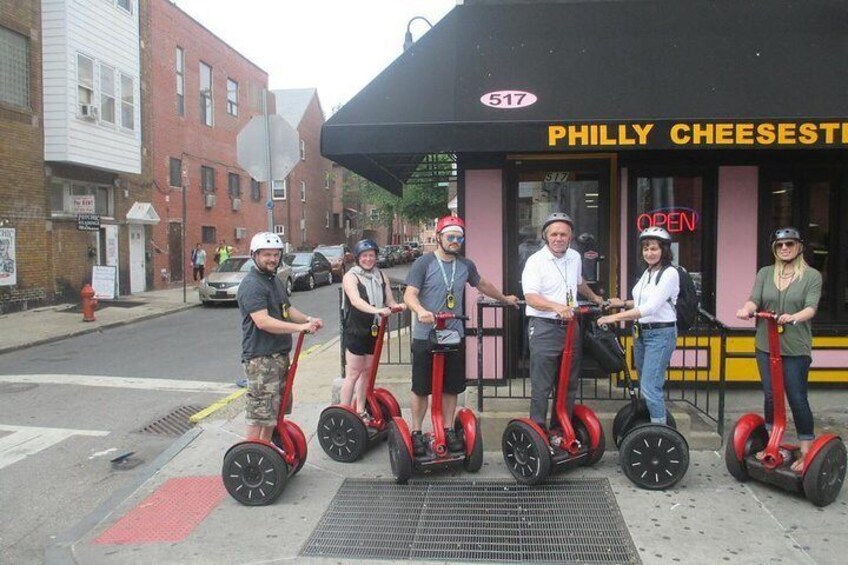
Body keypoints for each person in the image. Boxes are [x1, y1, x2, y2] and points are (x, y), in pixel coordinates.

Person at [404, 215, 518, 454]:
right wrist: (422, 311)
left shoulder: (466, 265)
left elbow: (483, 285)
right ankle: (416, 431)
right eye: (450, 237)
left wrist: (505, 298)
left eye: (459, 237)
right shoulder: (423, 263)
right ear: (439, 237)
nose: (455, 241)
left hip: (453, 335)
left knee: (451, 387)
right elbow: (409, 295)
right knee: (421, 387)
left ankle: (446, 428)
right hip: (426, 336)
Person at [735, 227, 822, 472]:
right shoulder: (765, 273)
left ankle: (805, 450)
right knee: (772, 395)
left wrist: (795, 317)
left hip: (795, 347)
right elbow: (755, 299)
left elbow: (811, 308)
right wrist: (747, 308)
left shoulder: (812, 276)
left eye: (790, 244)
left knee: (796, 397)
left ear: (799, 247)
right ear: (774, 248)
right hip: (766, 344)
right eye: (780, 245)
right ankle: (775, 443)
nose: (784, 248)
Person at [521, 212, 605, 435]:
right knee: (542, 385)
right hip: (544, 326)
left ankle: (560, 430)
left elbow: (578, 282)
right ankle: (537, 432)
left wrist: (595, 298)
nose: (559, 238)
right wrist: (556, 307)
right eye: (554, 234)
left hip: (570, 328)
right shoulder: (535, 261)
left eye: (563, 234)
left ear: (571, 237)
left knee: (568, 383)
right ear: (546, 236)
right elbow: (530, 297)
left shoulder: (575, 257)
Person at [237, 231, 323, 441]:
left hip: (279, 356)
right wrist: (299, 329)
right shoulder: (252, 285)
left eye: (275, 254)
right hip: (261, 358)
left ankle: (265, 452)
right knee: (259, 413)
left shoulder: (273, 280)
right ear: (254, 255)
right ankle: (252, 456)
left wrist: (308, 320)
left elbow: (286, 309)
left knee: (274, 413)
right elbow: (263, 322)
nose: (272, 259)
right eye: (266, 254)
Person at [597, 226, 680, 424]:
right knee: (645, 385)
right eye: (645, 249)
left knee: (651, 387)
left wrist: (614, 318)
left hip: (660, 334)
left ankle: (660, 431)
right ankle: (648, 423)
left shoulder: (669, 273)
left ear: (664, 250)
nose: (649, 253)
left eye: (654, 248)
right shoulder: (649, 272)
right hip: (642, 333)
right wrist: (622, 304)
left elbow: (651, 308)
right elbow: (643, 302)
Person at [341, 239, 406, 419]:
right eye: (364, 256)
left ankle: (360, 410)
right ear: (357, 258)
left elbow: (389, 301)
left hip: (374, 330)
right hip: (356, 329)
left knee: (367, 373)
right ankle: (343, 412)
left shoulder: (380, 275)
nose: (368, 259)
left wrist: (398, 306)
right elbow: (355, 301)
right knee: (353, 373)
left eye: (371, 256)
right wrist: (377, 310)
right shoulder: (350, 277)